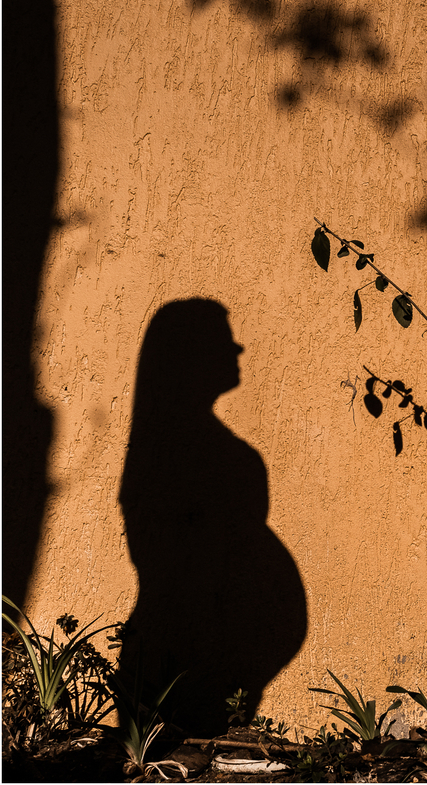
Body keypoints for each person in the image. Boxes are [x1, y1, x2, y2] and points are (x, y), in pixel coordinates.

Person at [118, 299, 307, 736]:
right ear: (189, 353)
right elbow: (172, 563)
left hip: (209, 660)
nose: (238, 349)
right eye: (224, 339)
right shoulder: (178, 453)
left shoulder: (223, 454)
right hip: (183, 660)